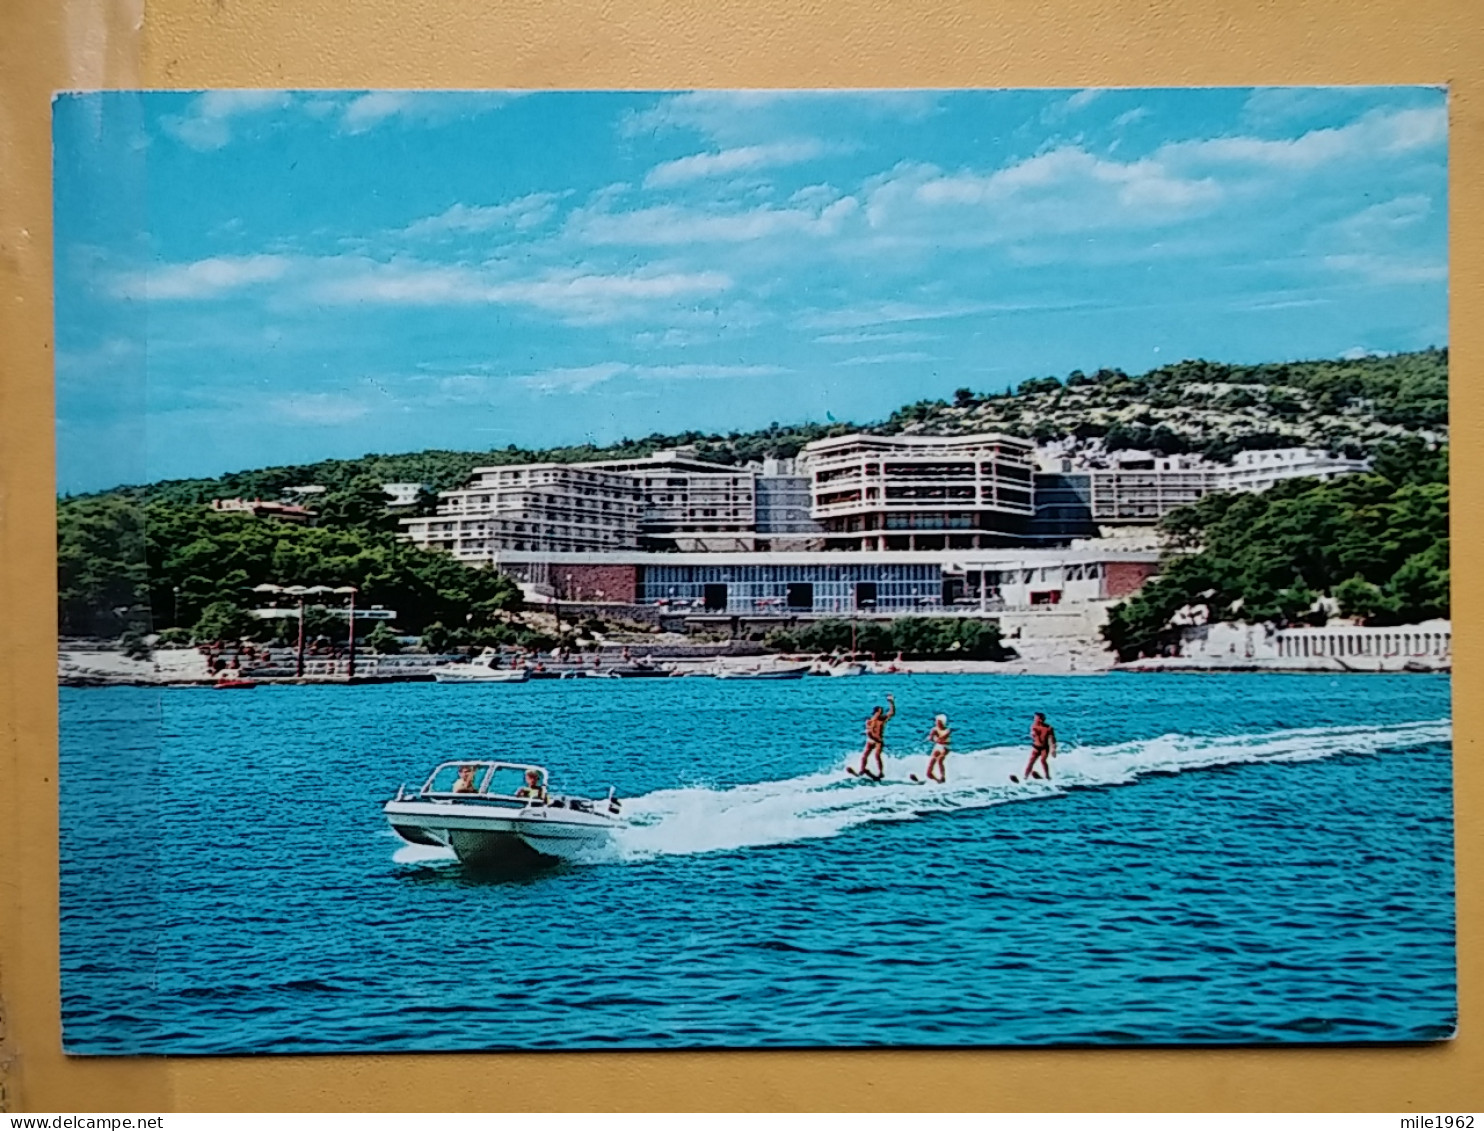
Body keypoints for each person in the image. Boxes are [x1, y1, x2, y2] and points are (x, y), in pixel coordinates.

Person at [854, 693, 896, 780]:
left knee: (877, 755)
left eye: (881, 712)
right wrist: (872, 737)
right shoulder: (869, 721)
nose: (881, 713)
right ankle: (861, 770)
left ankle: (881, 772)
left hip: (879, 740)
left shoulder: (882, 719)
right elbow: (868, 732)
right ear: (876, 712)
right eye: (879, 711)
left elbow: (892, 713)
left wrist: (891, 702)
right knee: (865, 755)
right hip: (871, 740)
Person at [1024, 712, 1057, 781]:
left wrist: (1053, 749)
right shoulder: (1034, 726)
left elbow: (1052, 739)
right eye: (1035, 718)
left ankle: (1047, 776)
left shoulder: (1048, 728)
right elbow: (1033, 735)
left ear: (1040, 719)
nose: (1034, 719)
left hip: (1044, 748)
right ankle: (1025, 776)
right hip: (1036, 747)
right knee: (1031, 761)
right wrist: (1034, 734)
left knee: (1043, 760)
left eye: (1036, 718)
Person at [924, 714, 952, 783]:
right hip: (938, 747)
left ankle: (943, 777)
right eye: (936, 721)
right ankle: (936, 780)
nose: (937, 723)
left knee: (940, 760)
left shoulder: (947, 730)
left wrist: (936, 739)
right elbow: (931, 738)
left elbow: (943, 738)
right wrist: (931, 737)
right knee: (931, 765)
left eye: (938, 721)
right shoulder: (934, 729)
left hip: (945, 747)